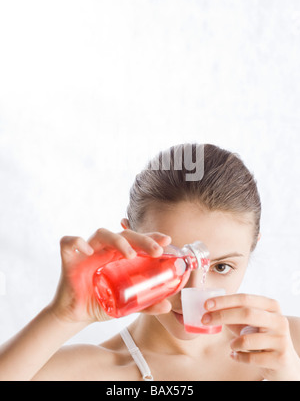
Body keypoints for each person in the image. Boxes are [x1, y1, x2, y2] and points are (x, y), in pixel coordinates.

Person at [0, 143, 299, 381]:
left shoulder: (293, 346)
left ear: (252, 247)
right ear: (129, 239)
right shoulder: (91, 372)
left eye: (221, 267)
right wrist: (62, 316)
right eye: (173, 262)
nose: (194, 292)